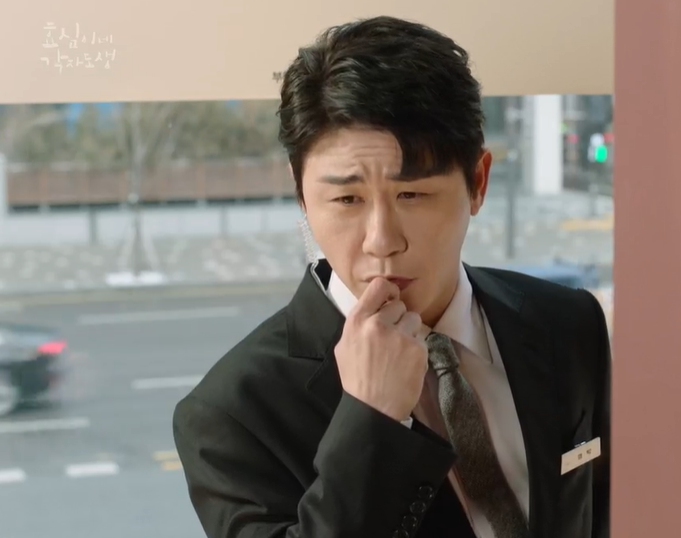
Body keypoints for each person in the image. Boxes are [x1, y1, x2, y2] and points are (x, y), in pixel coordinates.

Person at [172, 15, 611, 538]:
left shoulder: (568, 324)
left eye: (412, 195)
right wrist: (372, 421)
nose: (381, 240)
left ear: (478, 182)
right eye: (346, 199)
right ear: (301, 195)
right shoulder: (231, 414)